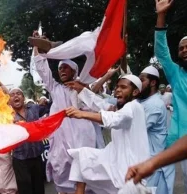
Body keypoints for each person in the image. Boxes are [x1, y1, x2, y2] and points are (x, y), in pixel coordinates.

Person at [65, 75, 150, 194]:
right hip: (115, 162)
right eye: (117, 87)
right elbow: (101, 105)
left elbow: (114, 118)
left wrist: (82, 114)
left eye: (123, 87)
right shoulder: (121, 108)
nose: (118, 90)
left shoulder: (134, 107)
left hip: (131, 170)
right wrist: (81, 90)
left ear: (135, 92)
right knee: (82, 157)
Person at [33, 46, 100, 193]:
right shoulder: (56, 89)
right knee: (61, 174)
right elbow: (43, 71)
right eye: (60, 68)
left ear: (74, 71)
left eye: (66, 67)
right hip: (61, 144)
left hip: (83, 141)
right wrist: (37, 47)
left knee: (84, 176)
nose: (62, 70)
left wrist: (81, 90)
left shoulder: (83, 90)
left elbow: (97, 108)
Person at [154, 0, 187, 192]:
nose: (184, 50)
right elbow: (161, 52)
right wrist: (161, 16)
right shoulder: (176, 75)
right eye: (181, 48)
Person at [138, 65, 171, 193]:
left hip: (154, 164)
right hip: (147, 160)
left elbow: (137, 128)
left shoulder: (155, 104)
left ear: (153, 82)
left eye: (142, 80)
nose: (138, 84)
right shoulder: (144, 101)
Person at [9, 88, 45, 194]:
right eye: (12, 95)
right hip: (20, 160)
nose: (16, 96)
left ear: (23, 98)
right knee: (25, 191)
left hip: (37, 157)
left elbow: (49, 109)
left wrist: (45, 101)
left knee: (39, 189)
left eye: (18, 94)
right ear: (9, 101)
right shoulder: (7, 115)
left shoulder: (34, 108)